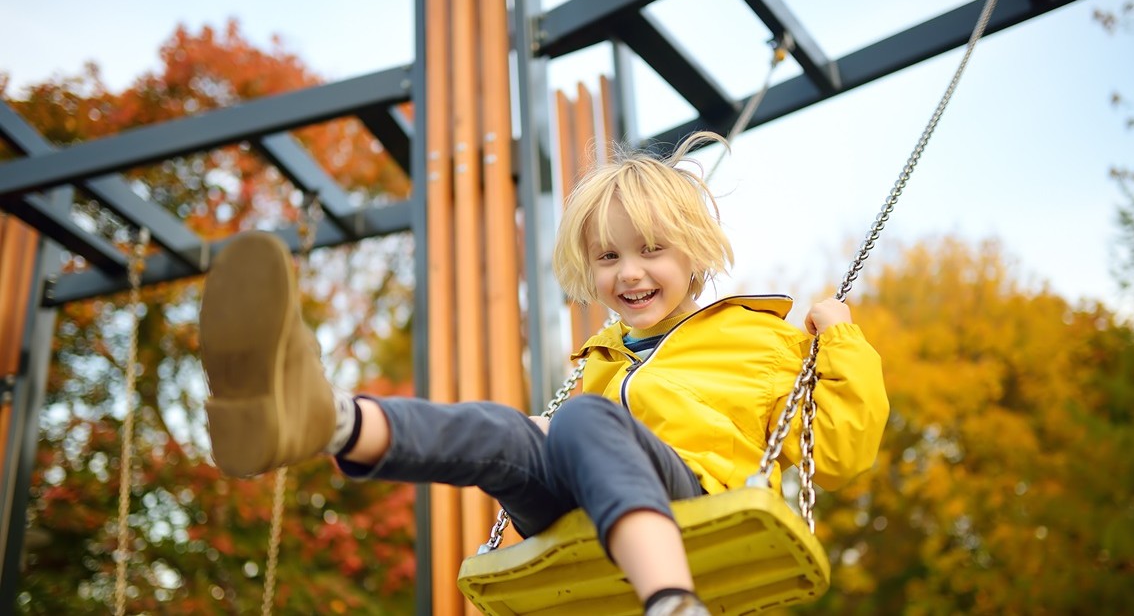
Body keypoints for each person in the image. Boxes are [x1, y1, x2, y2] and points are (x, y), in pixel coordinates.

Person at [199, 131, 889, 616]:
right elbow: (562, 442)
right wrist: (537, 434)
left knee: (585, 420)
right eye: (608, 257)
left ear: (695, 254)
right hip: (578, 511)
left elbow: (838, 453)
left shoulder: (756, 338)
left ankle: (674, 599)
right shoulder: (600, 360)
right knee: (506, 430)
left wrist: (841, 341)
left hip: (695, 505)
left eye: (651, 250)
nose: (629, 272)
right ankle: (324, 418)